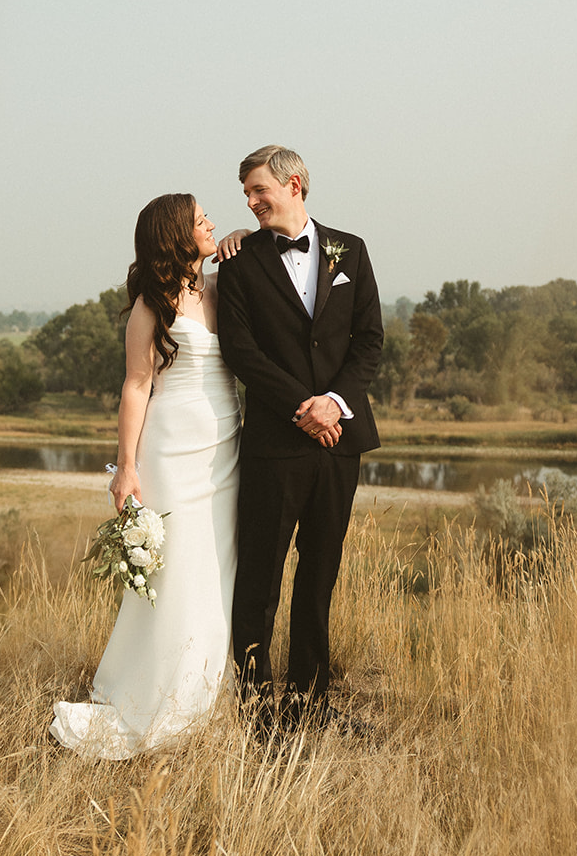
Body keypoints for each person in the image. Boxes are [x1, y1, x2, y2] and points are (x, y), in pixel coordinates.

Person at [51, 194, 240, 759]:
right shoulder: (150, 306)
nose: (210, 222)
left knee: (218, 566)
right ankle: (163, 697)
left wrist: (241, 241)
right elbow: (136, 385)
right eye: (199, 218)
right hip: (172, 448)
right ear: (175, 234)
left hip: (226, 445)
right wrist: (126, 467)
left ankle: (210, 693)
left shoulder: (223, 287)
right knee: (178, 569)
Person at [216, 144, 383, 733]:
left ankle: (312, 702)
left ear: (295, 185)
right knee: (259, 577)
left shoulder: (351, 251)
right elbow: (241, 352)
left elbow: (369, 342)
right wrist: (300, 407)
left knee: (320, 574)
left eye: (259, 190)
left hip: (340, 441)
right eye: (247, 195)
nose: (252, 202)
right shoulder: (237, 262)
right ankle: (257, 708)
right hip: (274, 443)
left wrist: (333, 404)